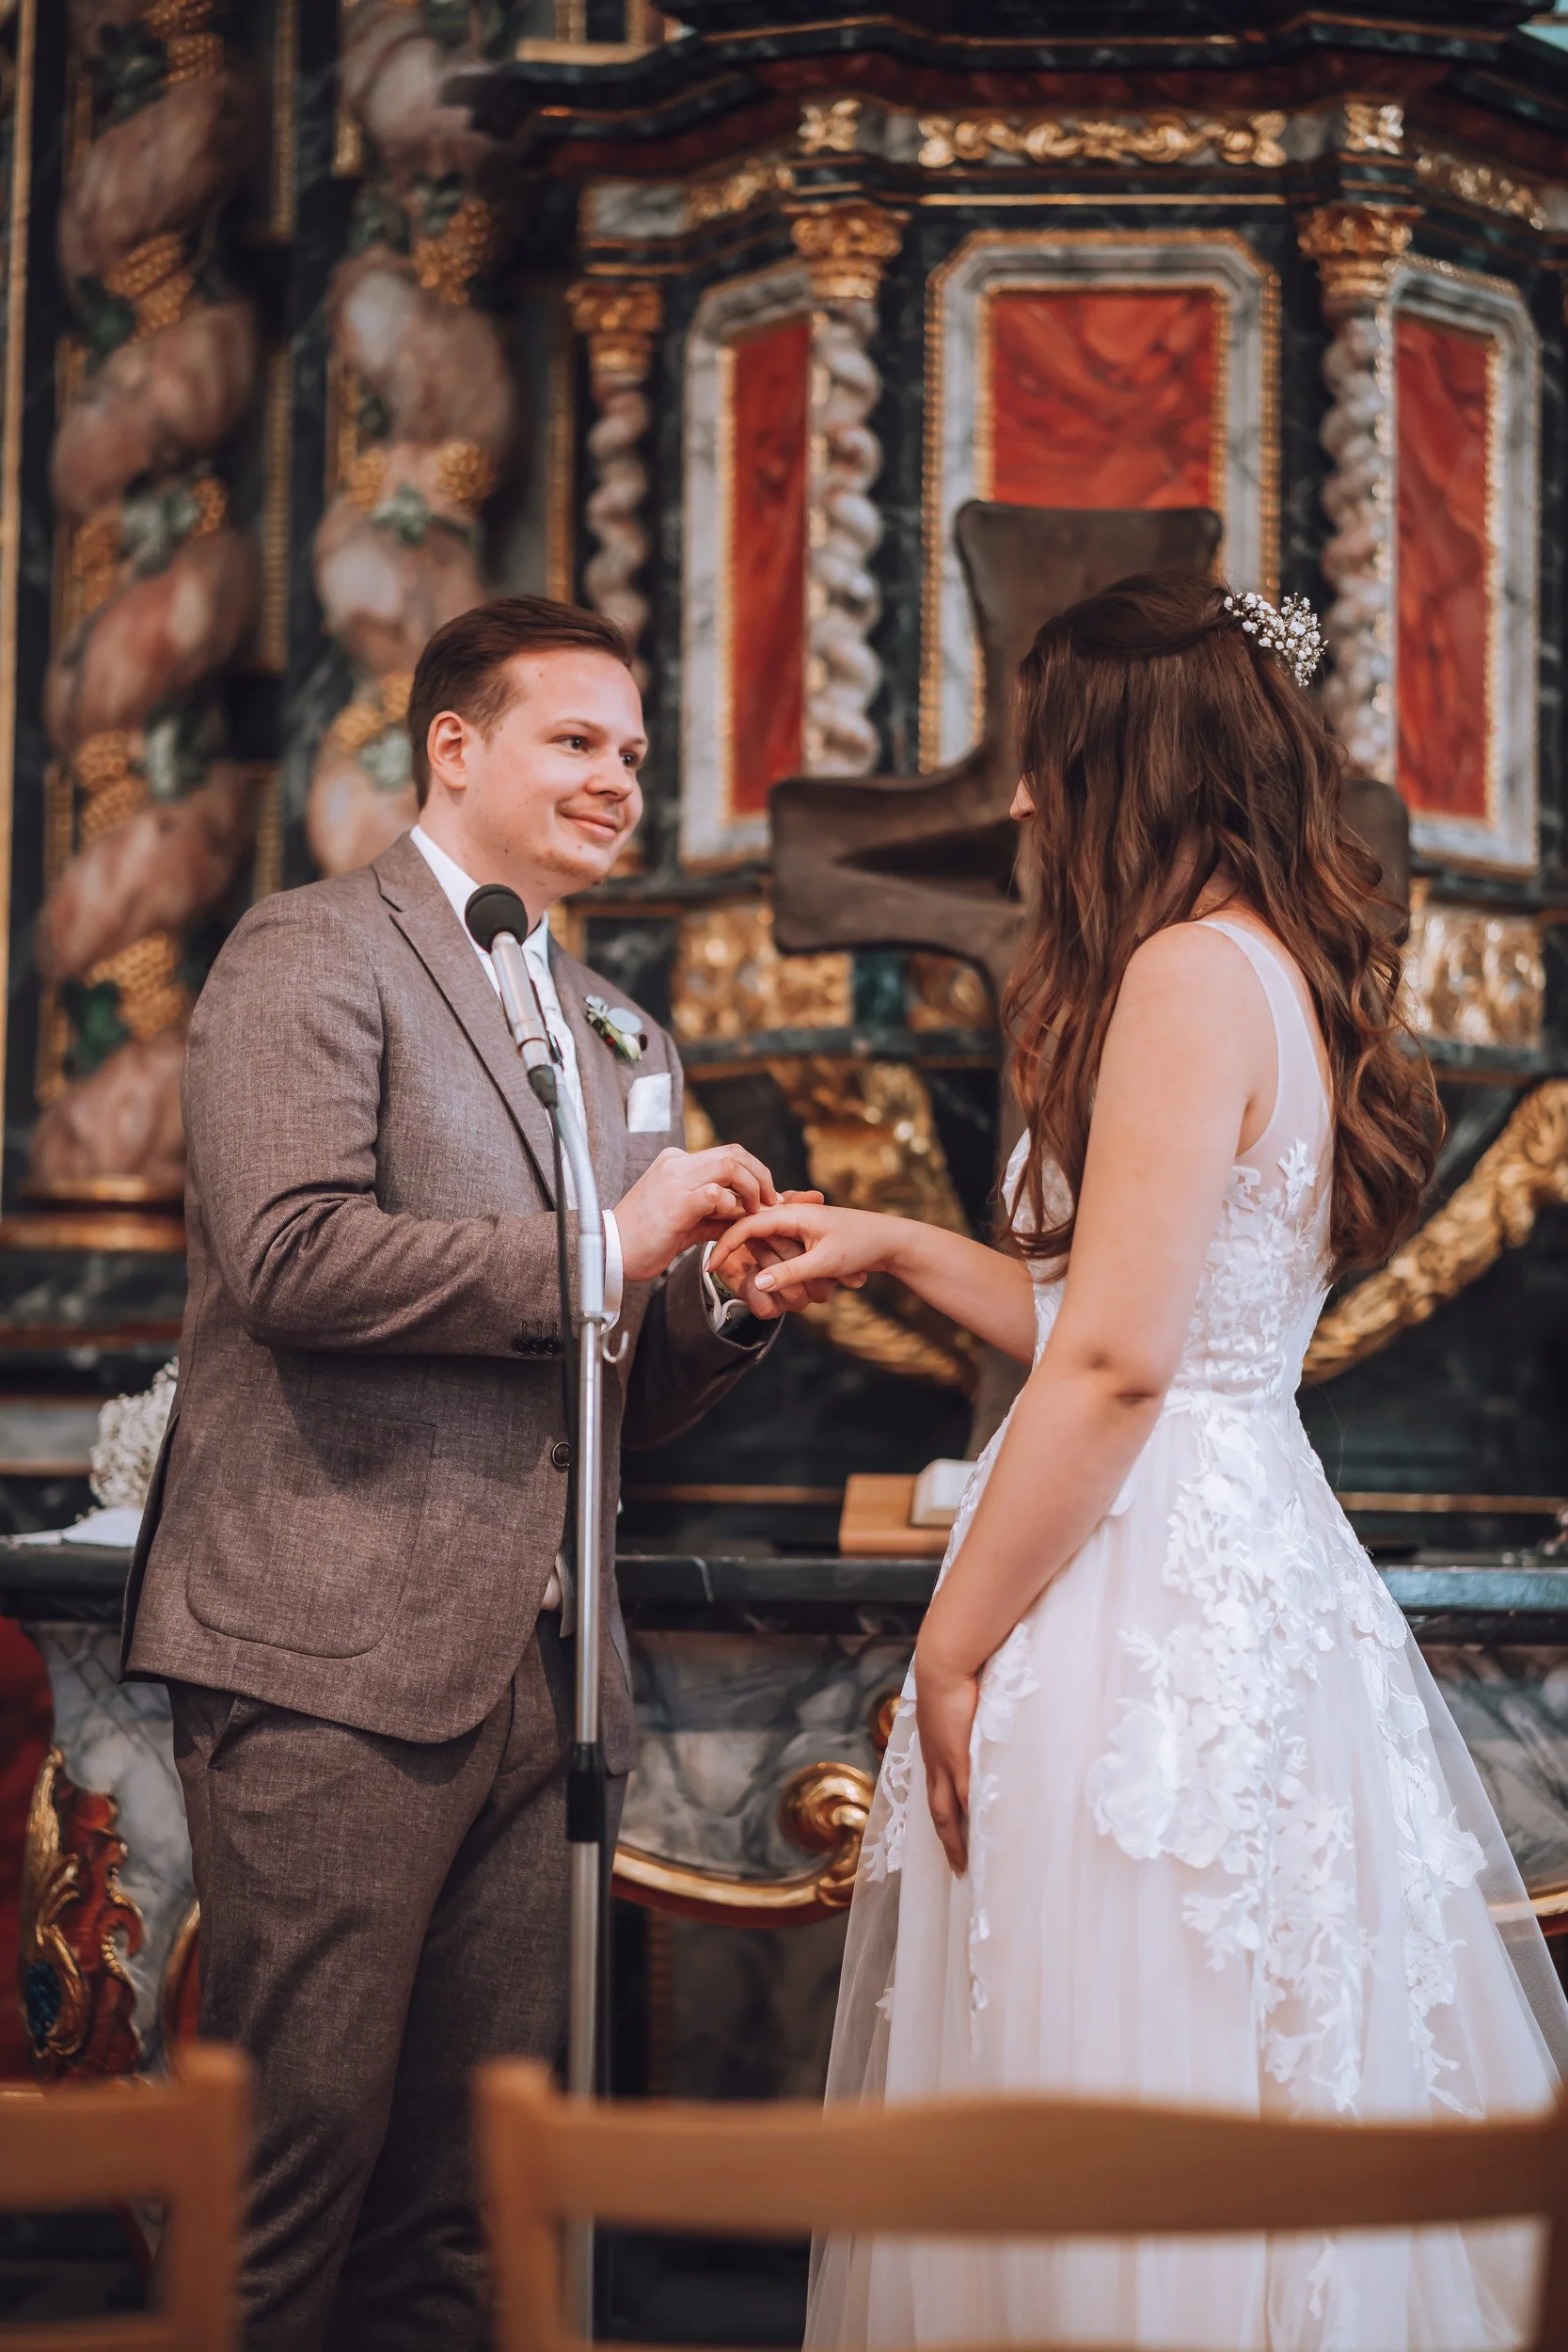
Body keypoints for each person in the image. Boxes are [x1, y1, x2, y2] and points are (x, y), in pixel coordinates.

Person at [711, 569, 1568, 2350]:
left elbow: (1112, 1368)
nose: (1023, 800)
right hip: (1243, 1542)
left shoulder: (1182, 976)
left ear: (1128, 769)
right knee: (1259, 2040)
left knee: (1125, 2048)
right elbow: (1112, 1310)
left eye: (1047, 761)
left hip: (1155, 1589)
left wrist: (944, 1651)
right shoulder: (1271, 968)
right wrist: (889, 1240)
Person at [121, 596, 825, 2352]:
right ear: (455, 745)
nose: (616, 781)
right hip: (332, 1652)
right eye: (574, 741)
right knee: (286, 2187)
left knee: (459, 2223)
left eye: (634, 755)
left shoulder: (624, 1035)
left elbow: (611, 1379)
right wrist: (601, 1243)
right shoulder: (308, 951)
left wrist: (717, 1309)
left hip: (542, 1679)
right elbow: (288, 1258)